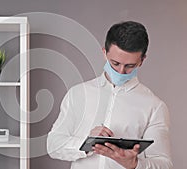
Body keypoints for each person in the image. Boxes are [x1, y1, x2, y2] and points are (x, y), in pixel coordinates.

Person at [47, 21, 173, 169]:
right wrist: (87, 143)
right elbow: (53, 146)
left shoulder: (154, 106)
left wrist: (135, 164)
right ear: (104, 52)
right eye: (115, 63)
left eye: (129, 66)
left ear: (142, 60)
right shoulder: (78, 94)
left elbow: (164, 164)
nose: (121, 71)